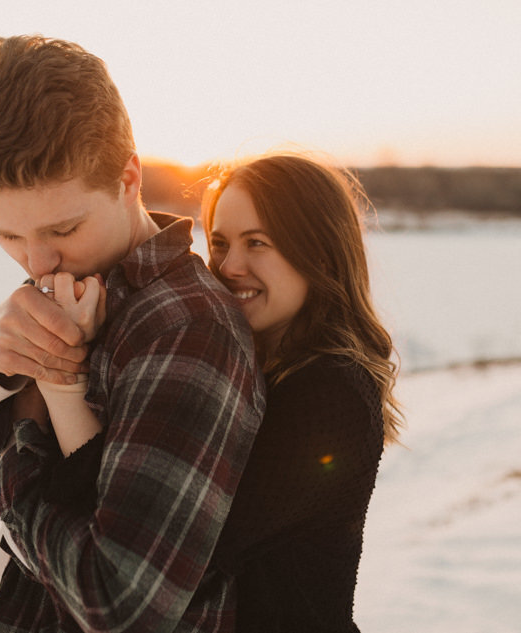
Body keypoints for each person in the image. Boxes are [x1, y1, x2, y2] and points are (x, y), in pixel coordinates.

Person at [0, 35, 264, 633]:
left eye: (62, 227)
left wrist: (20, 466)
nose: (37, 263)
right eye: (7, 237)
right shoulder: (54, 299)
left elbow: (123, 608)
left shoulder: (185, 329)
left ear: (129, 177)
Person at [57, 153, 404, 631]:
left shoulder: (329, 392)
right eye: (219, 243)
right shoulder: (252, 365)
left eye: (257, 243)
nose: (229, 265)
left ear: (319, 252)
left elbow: (174, 545)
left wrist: (55, 400)